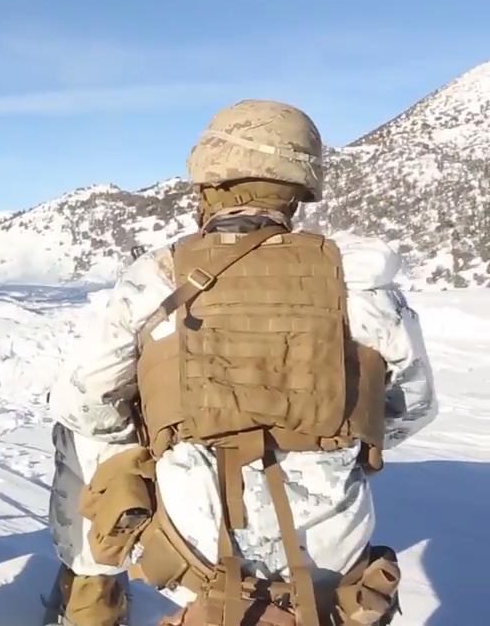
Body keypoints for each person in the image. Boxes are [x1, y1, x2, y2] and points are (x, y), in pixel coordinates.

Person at [48, 99, 437, 626]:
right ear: (299, 188)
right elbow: (413, 407)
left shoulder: (158, 277)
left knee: (81, 440)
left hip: (192, 558)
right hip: (332, 565)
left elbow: (84, 403)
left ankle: (91, 601)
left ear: (208, 185)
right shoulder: (358, 279)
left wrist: (157, 441)